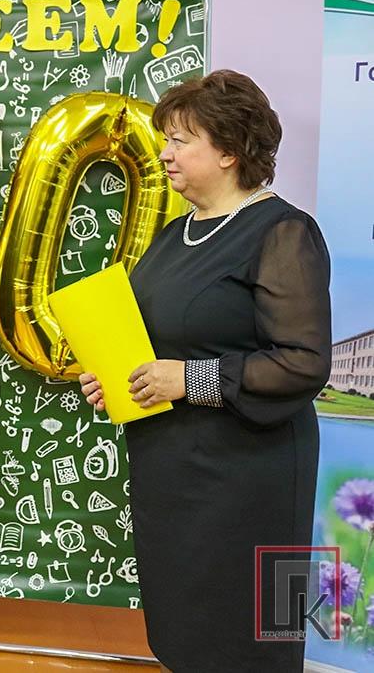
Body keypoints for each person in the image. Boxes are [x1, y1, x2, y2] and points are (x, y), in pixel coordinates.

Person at [80, 69, 331, 671]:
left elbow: (304, 364)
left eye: (179, 140)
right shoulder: (174, 235)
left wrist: (189, 380)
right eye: (164, 140)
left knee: (259, 636)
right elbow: (160, 339)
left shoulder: (283, 231)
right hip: (171, 473)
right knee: (184, 633)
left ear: (228, 151)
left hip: (256, 481)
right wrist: (116, 375)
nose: (164, 154)